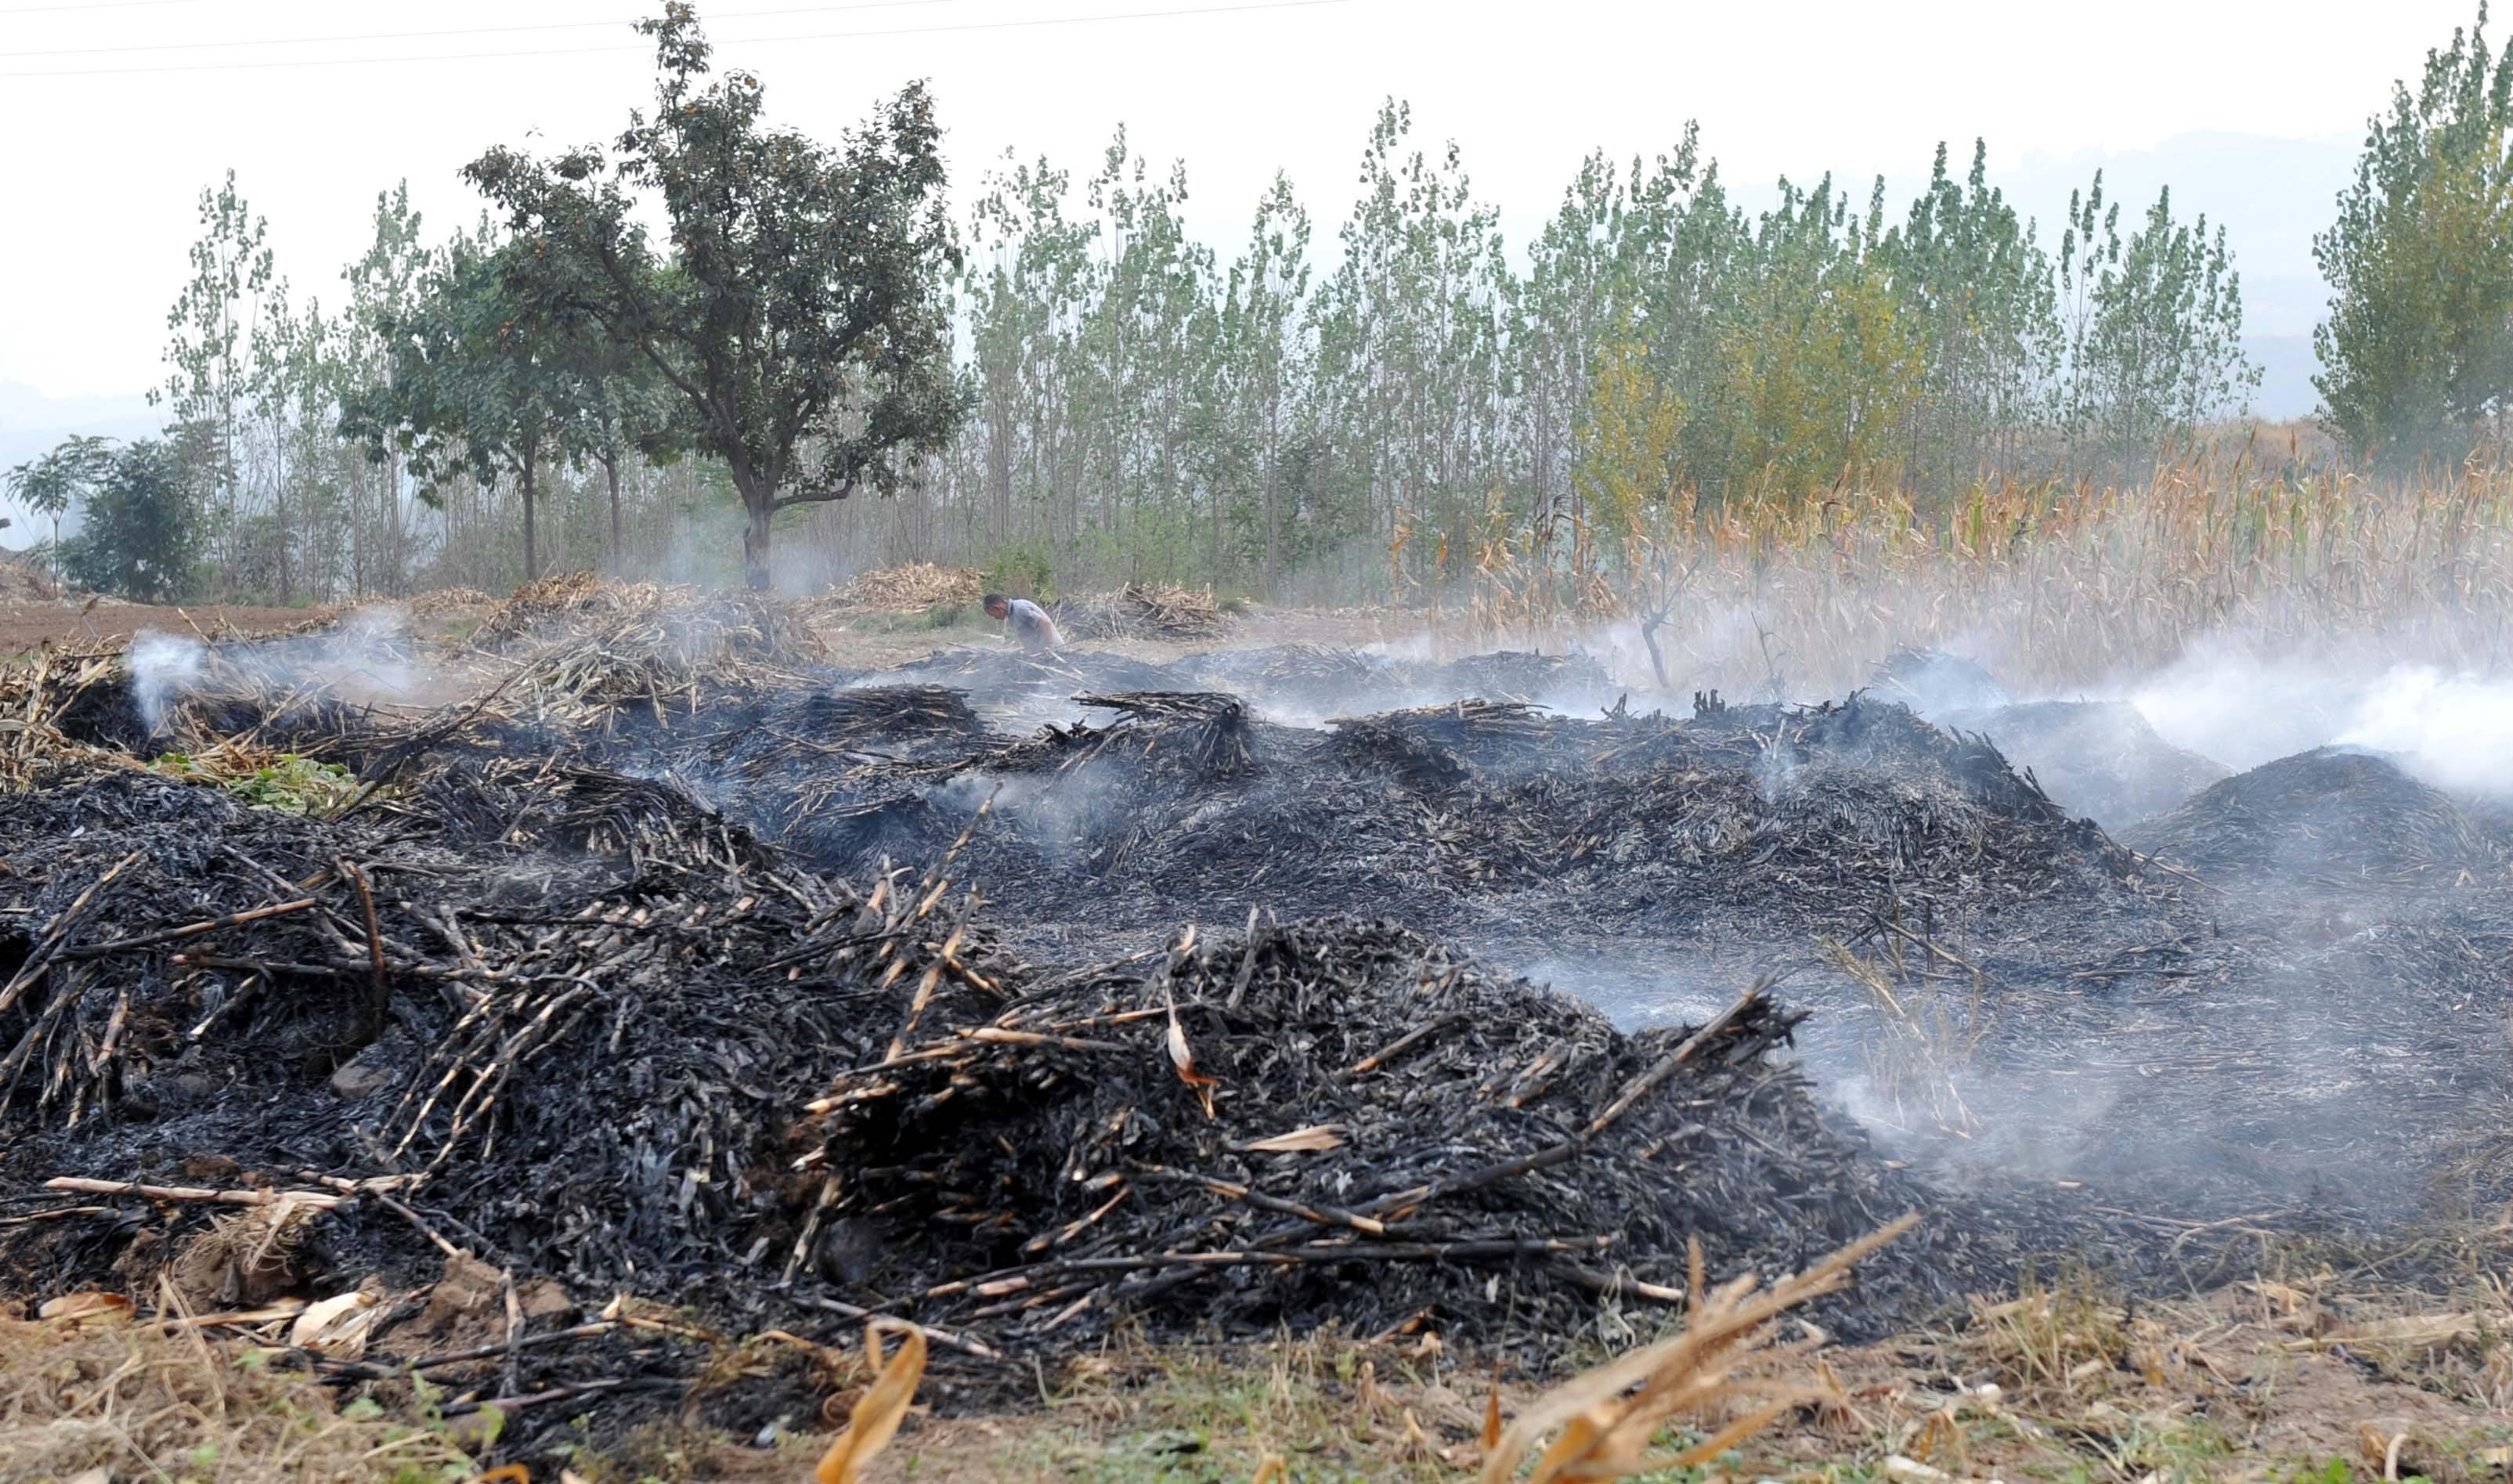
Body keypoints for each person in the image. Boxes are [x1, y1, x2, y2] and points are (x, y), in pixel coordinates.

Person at [982, 592, 1062, 655]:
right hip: (1041, 653)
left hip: (1055, 653)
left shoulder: (1020, 609)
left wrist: (1050, 648)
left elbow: (1045, 623)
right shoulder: (1012, 614)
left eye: (993, 615)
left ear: (997, 608)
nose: (995, 618)